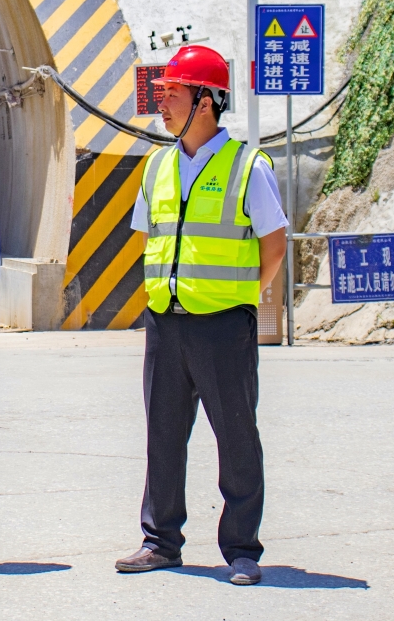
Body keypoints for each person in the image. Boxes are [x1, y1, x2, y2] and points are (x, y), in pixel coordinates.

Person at [114, 46, 288, 586]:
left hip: (223, 325)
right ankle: (160, 541)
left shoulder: (247, 166)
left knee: (236, 436)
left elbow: (274, 245)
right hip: (165, 322)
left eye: (173, 94)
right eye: (161, 93)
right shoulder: (157, 166)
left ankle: (241, 548)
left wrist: (241, 297)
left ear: (206, 101)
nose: (161, 104)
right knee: (163, 436)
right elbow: (150, 237)